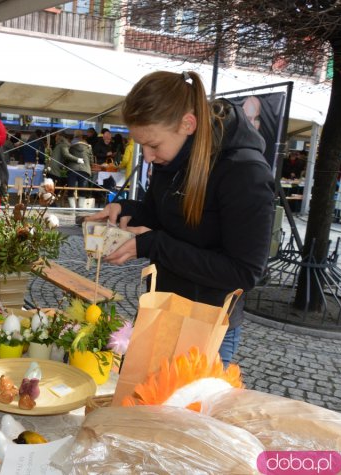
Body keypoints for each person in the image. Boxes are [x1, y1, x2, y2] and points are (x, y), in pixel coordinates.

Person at [86, 71, 274, 365]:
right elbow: (163, 214)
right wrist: (124, 209)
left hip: (206, 324)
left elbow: (244, 273)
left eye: (153, 145)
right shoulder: (173, 155)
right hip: (161, 308)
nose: (147, 157)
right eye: (141, 146)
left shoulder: (245, 172)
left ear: (188, 124)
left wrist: (153, 245)